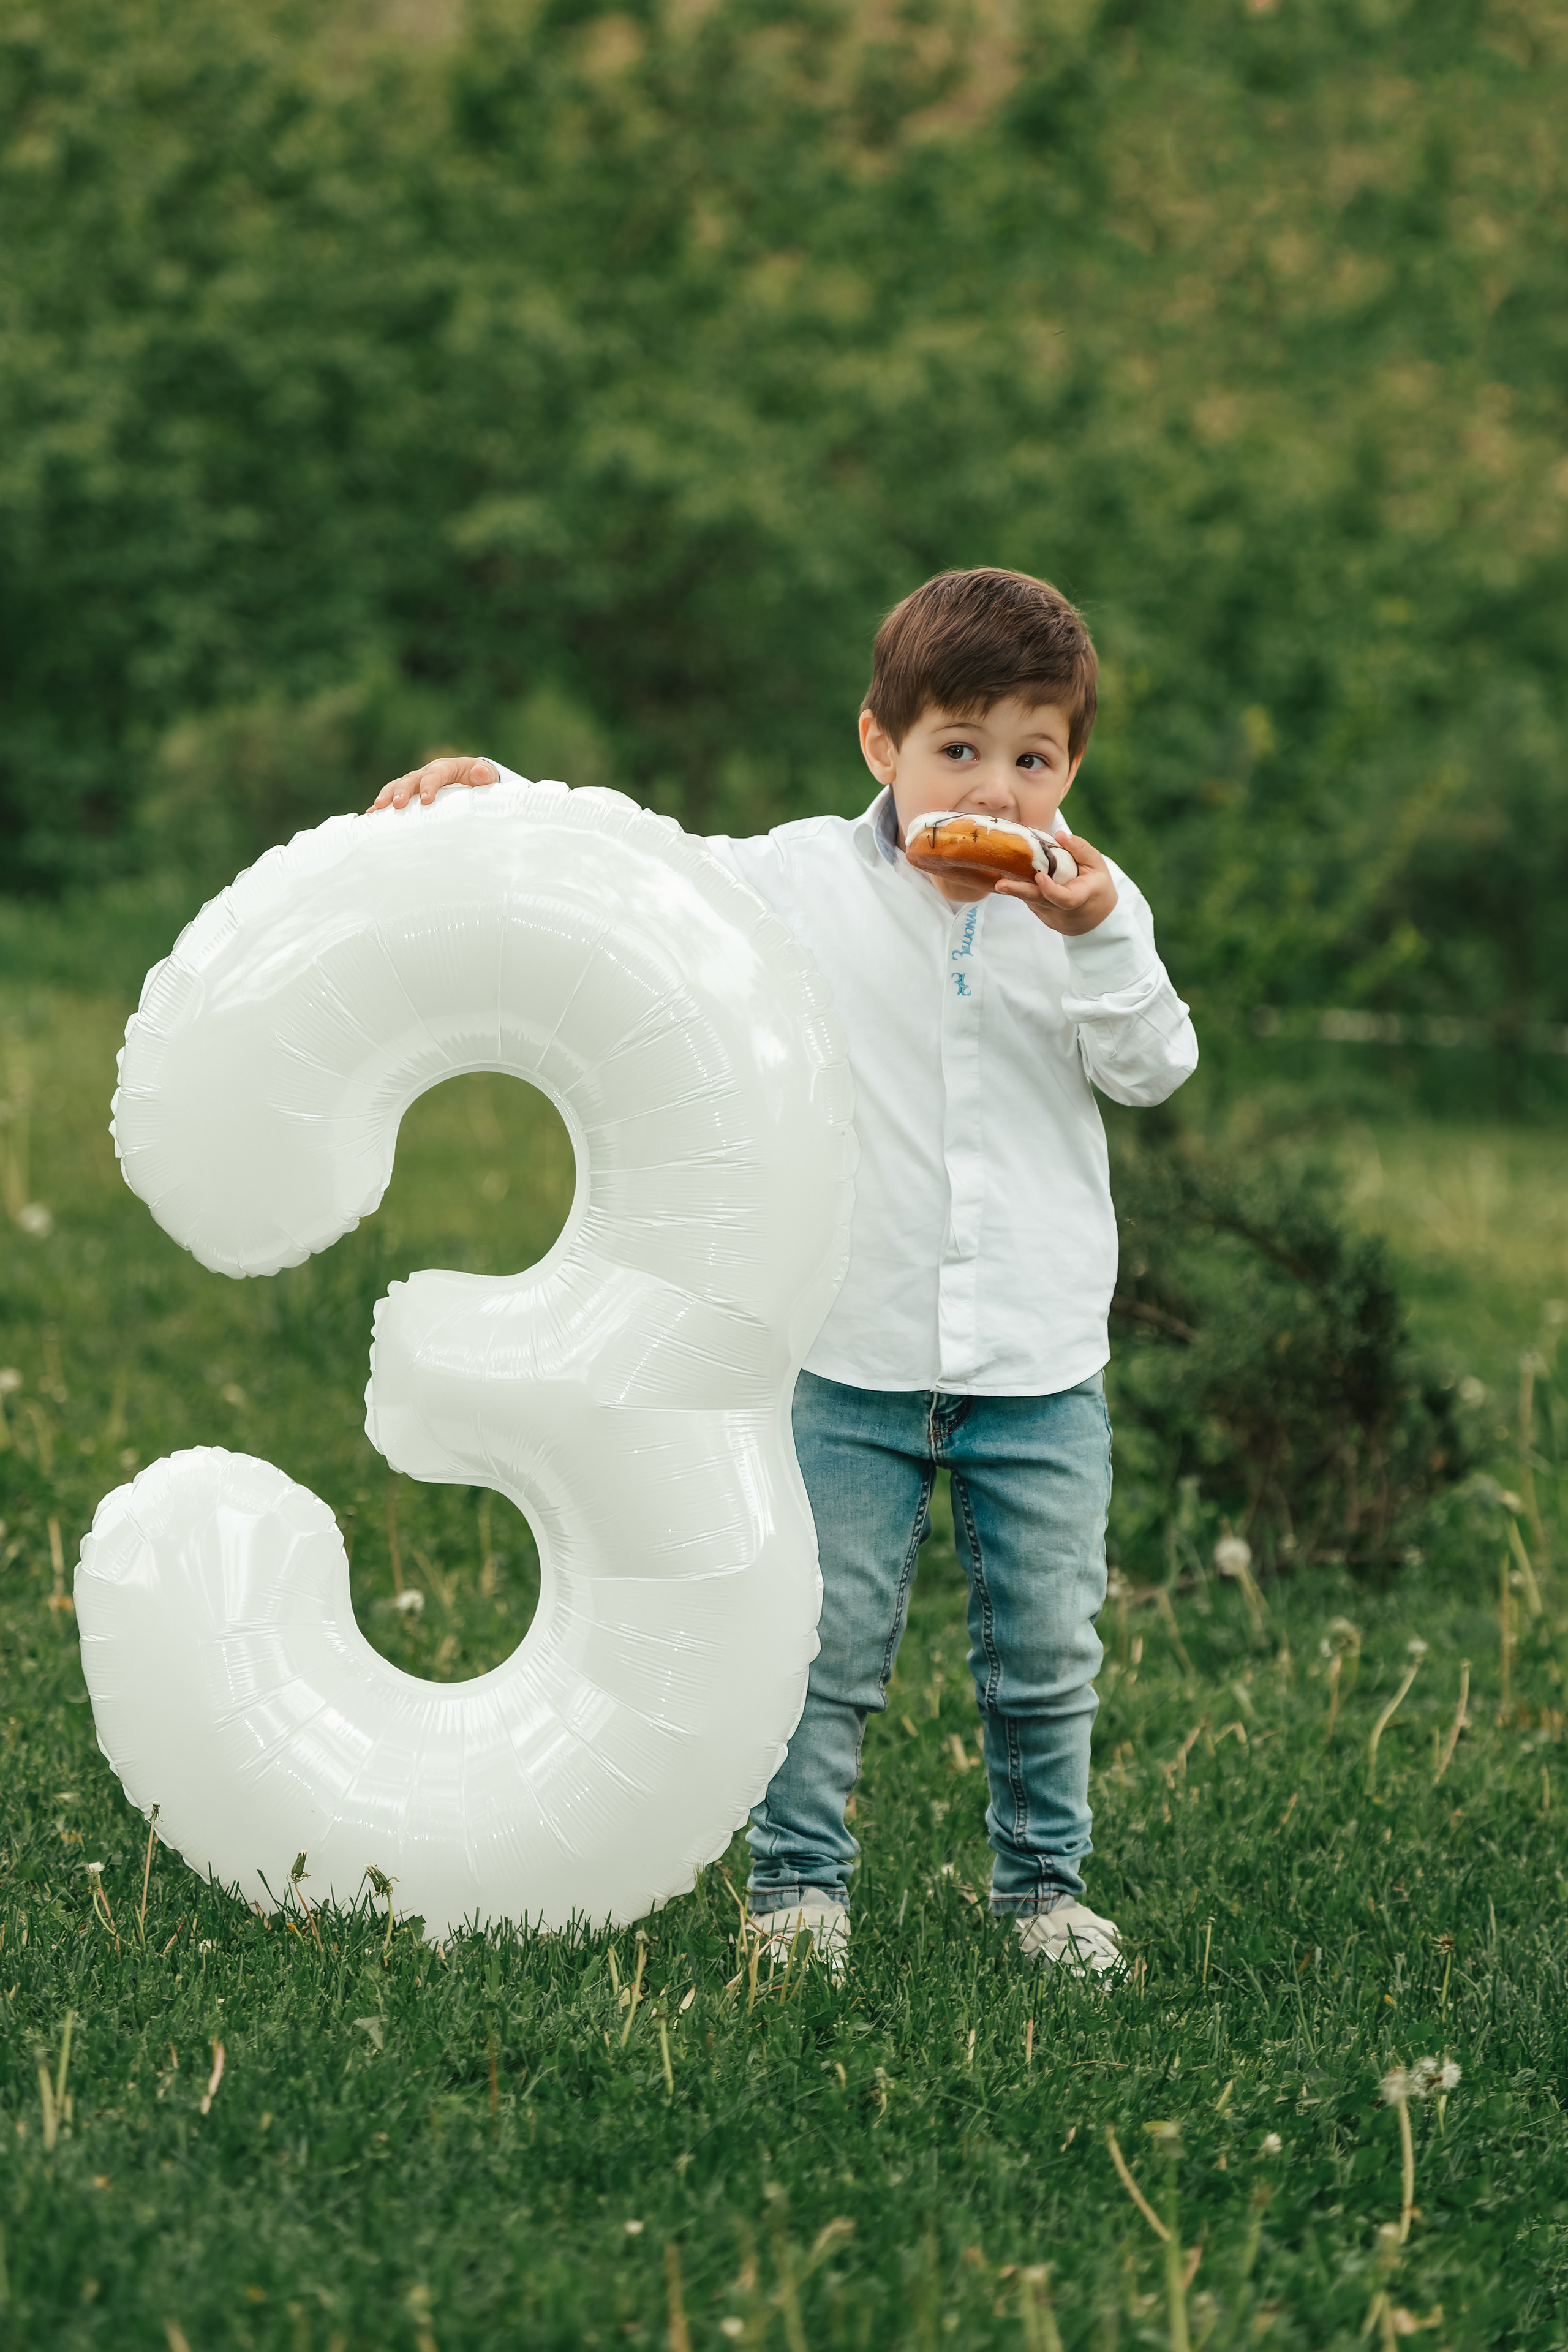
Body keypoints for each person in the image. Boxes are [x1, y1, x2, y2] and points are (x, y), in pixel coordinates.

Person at [367, 567, 1197, 1978]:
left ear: (1069, 767)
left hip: (1039, 1365)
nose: (995, 792)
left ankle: (1044, 1892)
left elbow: (1152, 1066)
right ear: (881, 745)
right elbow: (641, 866)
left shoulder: (1084, 912)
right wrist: (495, 796)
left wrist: (1104, 935)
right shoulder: (796, 880)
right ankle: (798, 1892)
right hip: (848, 1352)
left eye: (1032, 759)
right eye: (960, 750)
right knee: (816, 1646)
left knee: (1048, 1654)